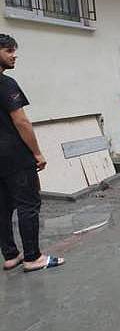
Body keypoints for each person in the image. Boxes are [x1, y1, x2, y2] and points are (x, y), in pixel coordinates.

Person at [0, 34, 65, 272]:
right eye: (8, 51)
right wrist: (37, 153)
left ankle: (10, 255)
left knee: (3, 207)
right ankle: (32, 257)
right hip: (14, 156)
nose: (14, 55)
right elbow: (21, 122)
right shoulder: (6, 84)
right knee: (28, 204)